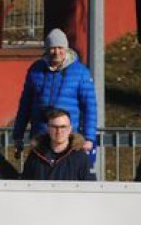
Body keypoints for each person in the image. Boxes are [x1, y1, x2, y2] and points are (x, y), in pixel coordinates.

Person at [12, 28, 97, 159]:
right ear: (46, 50)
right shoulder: (35, 70)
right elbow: (25, 105)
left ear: (66, 49)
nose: (56, 52)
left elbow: (90, 107)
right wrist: (18, 135)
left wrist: (89, 138)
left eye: (60, 47)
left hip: (69, 139)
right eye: (52, 48)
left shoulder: (81, 72)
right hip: (40, 137)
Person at [21, 108, 94, 180]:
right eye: (54, 127)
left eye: (63, 127)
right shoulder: (35, 156)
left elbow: (88, 187)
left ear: (70, 129)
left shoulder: (80, 157)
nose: (59, 131)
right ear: (48, 129)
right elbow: (25, 185)